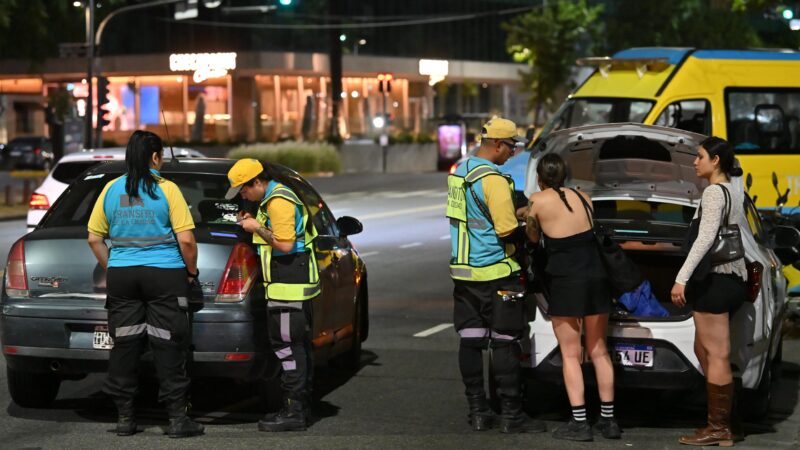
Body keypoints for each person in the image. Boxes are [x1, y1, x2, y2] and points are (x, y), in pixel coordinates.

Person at [87, 130, 204, 438]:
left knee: (124, 345)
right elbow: (187, 240)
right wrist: (191, 272)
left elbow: (94, 238)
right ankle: (177, 420)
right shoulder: (167, 190)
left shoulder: (112, 189)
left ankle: (125, 418)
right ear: (154, 157)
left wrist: (113, 266)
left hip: (122, 276)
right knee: (167, 344)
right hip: (164, 275)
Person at [446, 117, 545, 434]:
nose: (513, 153)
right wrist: (528, 230)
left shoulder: (460, 173)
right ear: (498, 144)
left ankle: (478, 411)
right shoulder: (494, 180)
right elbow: (506, 231)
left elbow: (476, 217)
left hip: (465, 275)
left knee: (471, 341)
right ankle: (511, 415)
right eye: (512, 146)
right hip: (499, 273)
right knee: (504, 342)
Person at [520, 153, 620, 441]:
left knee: (571, 354)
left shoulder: (537, 201)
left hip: (566, 282)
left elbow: (533, 238)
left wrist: (526, 216)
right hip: (597, 278)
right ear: (564, 175)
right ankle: (608, 421)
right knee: (599, 350)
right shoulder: (584, 197)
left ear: (539, 177)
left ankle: (579, 422)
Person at [225, 158, 320, 432]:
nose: (243, 195)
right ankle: (298, 408)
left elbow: (285, 244)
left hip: (288, 285)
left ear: (257, 182)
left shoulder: (279, 201)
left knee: (287, 347)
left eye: (244, 189)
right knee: (295, 347)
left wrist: (256, 227)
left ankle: (294, 411)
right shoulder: (271, 199)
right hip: (286, 284)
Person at [670, 136, 747, 447]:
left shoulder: (715, 192)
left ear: (715, 161)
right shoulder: (733, 190)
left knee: (715, 354)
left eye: (700, 156)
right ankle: (729, 420)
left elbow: (705, 239)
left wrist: (681, 278)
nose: (694, 162)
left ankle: (719, 428)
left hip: (716, 280)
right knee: (705, 351)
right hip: (729, 280)